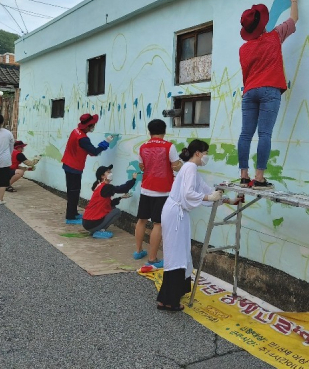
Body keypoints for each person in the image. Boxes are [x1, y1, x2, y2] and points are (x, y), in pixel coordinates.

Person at [157, 139, 239, 311]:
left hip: (177, 213)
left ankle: (168, 296)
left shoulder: (191, 169)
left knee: (180, 253)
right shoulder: (190, 168)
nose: (207, 156)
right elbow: (190, 194)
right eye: (206, 153)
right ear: (197, 153)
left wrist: (229, 200)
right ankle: (169, 300)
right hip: (175, 214)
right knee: (176, 255)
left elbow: (206, 190)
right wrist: (209, 198)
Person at [238, 0, 299, 190]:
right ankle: (260, 178)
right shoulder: (274, 37)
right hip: (269, 90)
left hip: (249, 92)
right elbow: (293, 20)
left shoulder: (243, 49)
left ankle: (244, 176)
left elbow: (246, 75)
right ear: (263, 24)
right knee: (265, 134)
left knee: (245, 134)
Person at [134, 119, 182, 267]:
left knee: (141, 220)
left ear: (149, 131)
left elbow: (142, 166)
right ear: (164, 131)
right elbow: (175, 167)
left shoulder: (142, 147)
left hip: (145, 188)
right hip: (162, 191)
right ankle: (152, 258)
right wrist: (182, 161)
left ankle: (138, 251)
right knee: (158, 224)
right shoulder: (169, 146)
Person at [61, 113, 114, 225]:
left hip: (69, 164)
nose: (93, 127)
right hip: (74, 167)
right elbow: (94, 152)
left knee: (73, 191)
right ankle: (70, 217)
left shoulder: (76, 131)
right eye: (92, 125)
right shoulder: (83, 138)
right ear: (88, 126)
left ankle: (73, 213)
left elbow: (88, 149)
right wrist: (106, 143)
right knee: (74, 192)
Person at [82, 165, 137, 239]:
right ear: (102, 176)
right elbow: (122, 188)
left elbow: (108, 203)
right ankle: (99, 230)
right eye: (108, 172)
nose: (111, 173)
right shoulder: (106, 187)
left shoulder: (99, 186)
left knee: (112, 208)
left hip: (87, 222)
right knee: (117, 211)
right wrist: (133, 179)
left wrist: (121, 197)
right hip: (91, 223)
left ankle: (96, 229)